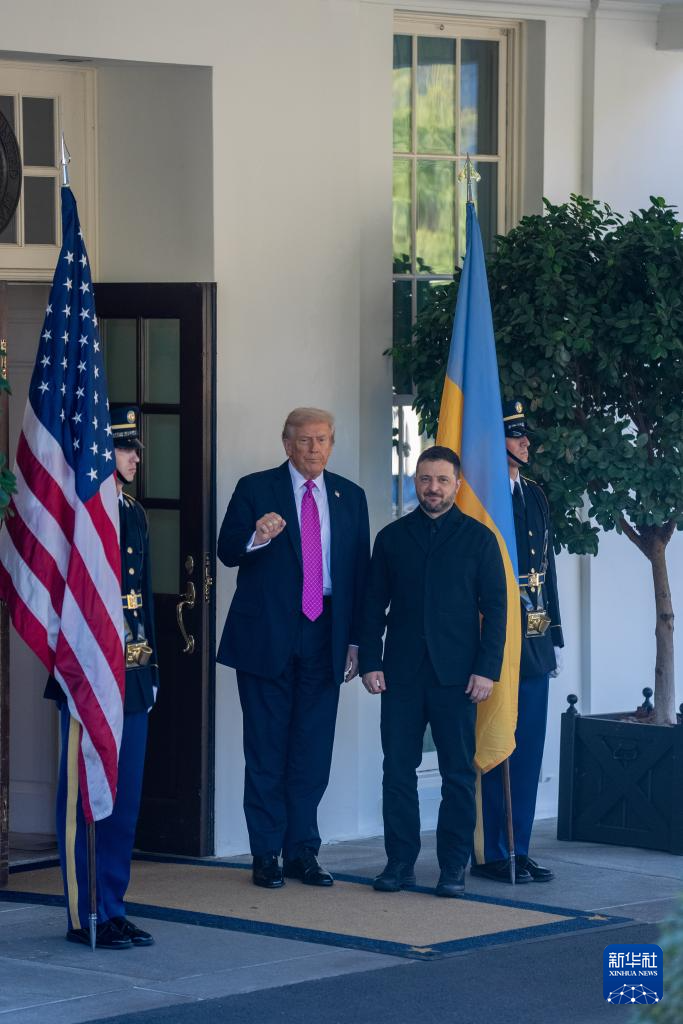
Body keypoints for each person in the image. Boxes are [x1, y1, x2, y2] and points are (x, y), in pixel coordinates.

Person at [217, 407, 370, 889]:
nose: (314, 448)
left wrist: (356, 640)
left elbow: (359, 575)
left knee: (311, 750)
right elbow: (226, 550)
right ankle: (266, 853)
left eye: (322, 439)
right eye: (304, 440)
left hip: (325, 633)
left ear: (332, 444)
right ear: (286, 444)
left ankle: (303, 851)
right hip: (266, 636)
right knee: (266, 749)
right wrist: (257, 536)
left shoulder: (350, 496)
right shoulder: (254, 488)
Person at [359, 445, 507, 898]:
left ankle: (453, 866)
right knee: (397, 772)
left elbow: (497, 610)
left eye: (442, 480)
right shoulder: (392, 538)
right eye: (425, 479)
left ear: (457, 485)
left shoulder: (479, 539)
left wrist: (487, 670)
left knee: (457, 775)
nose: (433, 488)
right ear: (415, 482)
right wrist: (370, 661)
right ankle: (400, 862)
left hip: (459, 678)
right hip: (400, 676)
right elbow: (372, 605)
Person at [45, 404, 159, 948]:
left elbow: (142, 599)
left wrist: (152, 668)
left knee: (124, 800)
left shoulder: (132, 512)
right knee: (84, 798)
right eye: (123, 447)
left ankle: (112, 906)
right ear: (99, 452)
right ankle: (83, 911)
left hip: (131, 674)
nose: (134, 457)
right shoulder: (79, 512)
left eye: (135, 447)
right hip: (89, 675)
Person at [471, 398, 564, 884]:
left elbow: (547, 571)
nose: (526, 442)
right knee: (494, 744)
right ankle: (492, 851)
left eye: (525, 434)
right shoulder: (482, 501)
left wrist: (556, 635)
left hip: (533, 638)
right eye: (516, 434)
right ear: (495, 442)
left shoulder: (534, 495)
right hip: (493, 640)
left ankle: (519, 847)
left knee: (527, 749)